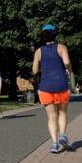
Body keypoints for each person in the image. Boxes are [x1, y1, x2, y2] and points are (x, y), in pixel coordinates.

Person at [33, 24, 75, 153]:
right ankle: (62, 135)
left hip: (45, 87)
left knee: (51, 116)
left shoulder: (39, 51)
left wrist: (43, 67)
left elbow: (34, 71)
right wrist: (70, 71)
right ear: (54, 34)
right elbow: (67, 63)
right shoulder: (61, 47)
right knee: (62, 112)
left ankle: (54, 144)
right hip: (61, 85)